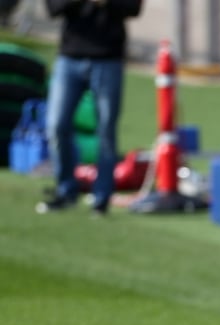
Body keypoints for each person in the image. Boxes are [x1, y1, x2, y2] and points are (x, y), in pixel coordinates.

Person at [36, 0, 143, 216]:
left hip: (108, 58)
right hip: (70, 56)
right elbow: (53, 8)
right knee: (57, 125)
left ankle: (101, 198)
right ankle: (66, 190)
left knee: (106, 130)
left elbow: (133, 7)